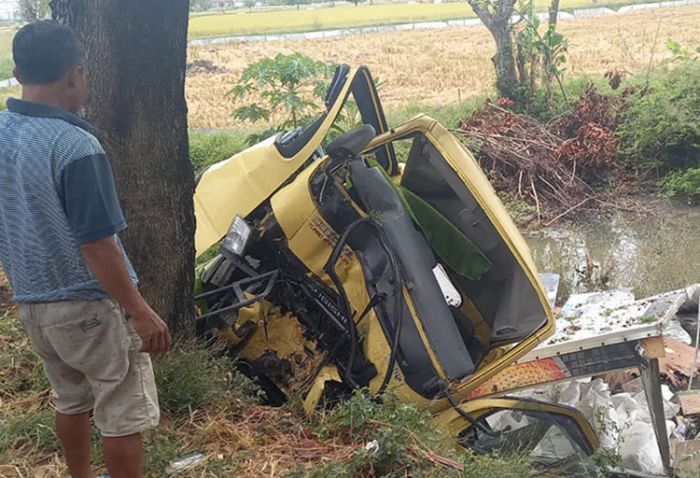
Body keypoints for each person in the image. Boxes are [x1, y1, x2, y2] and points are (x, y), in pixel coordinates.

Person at [0, 21, 171, 478]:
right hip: (89, 305)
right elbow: (96, 242)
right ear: (75, 75)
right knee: (121, 413)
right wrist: (137, 310)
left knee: (70, 399)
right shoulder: (75, 146)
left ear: (18, 72)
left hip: (34, 304)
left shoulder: (2, 133)